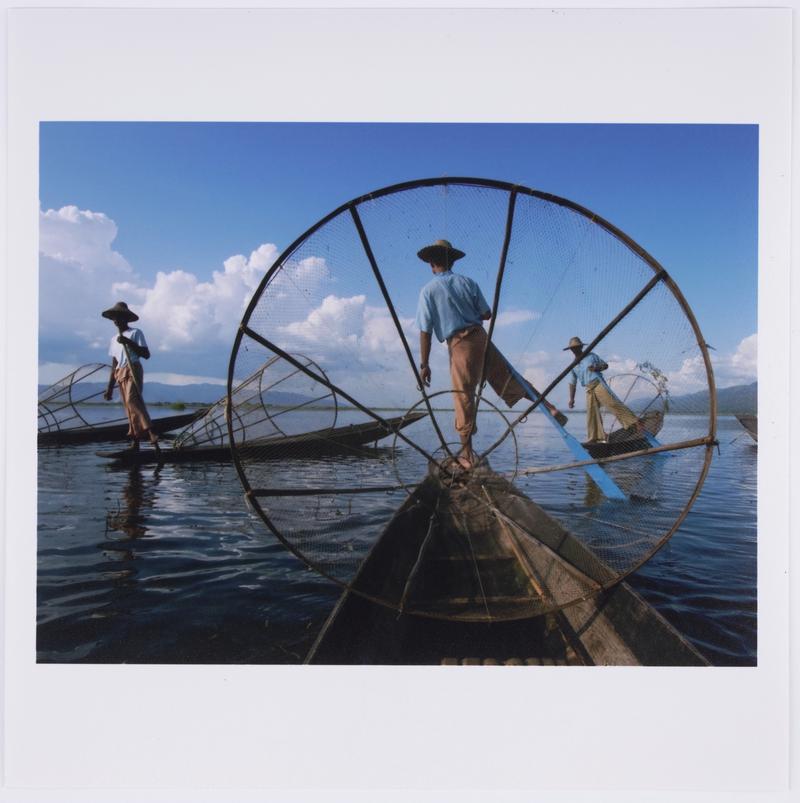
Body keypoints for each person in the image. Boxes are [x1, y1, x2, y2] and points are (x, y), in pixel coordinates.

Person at [415, 239, 567, 469]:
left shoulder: (428, 290)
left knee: (463, 396)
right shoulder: (468, 282)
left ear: (432, 263)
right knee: (509, 377)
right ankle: (549, 407)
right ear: (451, 261)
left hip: (459, 344)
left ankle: (466, 456)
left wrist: (424, 364)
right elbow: (486, 314)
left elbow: (425, 331)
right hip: (481, 339)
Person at [102, 301, 160, 455]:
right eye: (114, 318)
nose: (116, 320)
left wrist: (128, 342)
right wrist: (109, 388)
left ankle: (151, 431)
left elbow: (146, 354)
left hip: (133, 368)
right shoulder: (114, 339)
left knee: (132, 400)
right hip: (120, 372)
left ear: (126, 319)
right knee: (129, 408)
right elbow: (114, 363)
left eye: (119, 317)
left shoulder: (135, 333)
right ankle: (136, 443)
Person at [564, 336, 643, 443]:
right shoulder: (573, 365)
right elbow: (572, 383)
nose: (575, 349)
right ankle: (596, 437)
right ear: (571, 350)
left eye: (577, 347)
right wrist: (571, 399)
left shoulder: (591, 356)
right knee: (591, 413)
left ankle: (634, 422)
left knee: (612, 403)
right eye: (573, 348)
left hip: (598, 383)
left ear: (581, 347)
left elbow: (605, 365)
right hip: (588, 388)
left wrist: (596, 368)